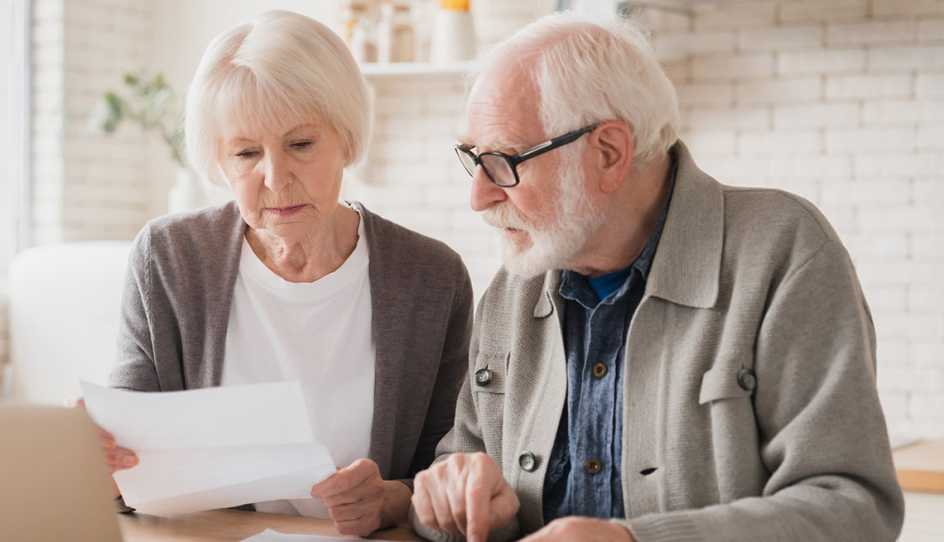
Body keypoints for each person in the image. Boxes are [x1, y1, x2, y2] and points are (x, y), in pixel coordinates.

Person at [410, 12, 905, 542]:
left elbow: (853, 509)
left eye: (505, 161)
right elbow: (454, 473)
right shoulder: (514, 287)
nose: (479, 196)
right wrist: (457, 499)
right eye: (473, 158)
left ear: (609, 152)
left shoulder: (781, 251)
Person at [88, 10, 473, 537]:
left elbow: (452, 465)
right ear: (219, 163)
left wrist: (391, 500)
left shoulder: (432, 277)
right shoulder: (168, 259)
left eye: (301, 145)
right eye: (246, 153)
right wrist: (99, 460)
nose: (275, 177)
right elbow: (128, 463)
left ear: (346, 137)